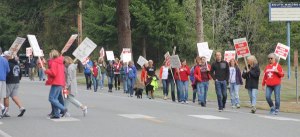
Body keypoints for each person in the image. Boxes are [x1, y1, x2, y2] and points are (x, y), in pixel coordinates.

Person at [44, 50, 67, 119]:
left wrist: (46, 70)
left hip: (56, 82)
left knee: (51, 98)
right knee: (55, 99)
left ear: (52, 55)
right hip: (60, 82)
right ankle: (56, 114)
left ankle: (63, 108)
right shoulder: (61, 62)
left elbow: (53, 73)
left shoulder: (54, 62)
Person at [2, 52, 26, 117]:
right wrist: (19, 78)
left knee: (6, 96)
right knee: (14, 96)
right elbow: (20, 72)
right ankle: (21, 107)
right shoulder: (16, 64)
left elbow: (7, 72)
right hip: (17, 81)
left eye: (4, 57)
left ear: (7, 57)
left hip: (9, 82)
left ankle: (6, 111)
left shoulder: (8, 63)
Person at [0, 50, 10, 118]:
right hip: (3, 79)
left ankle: (3, 107)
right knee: (0, 96)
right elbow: (8, 70)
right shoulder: (5, 60)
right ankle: (1, 111)